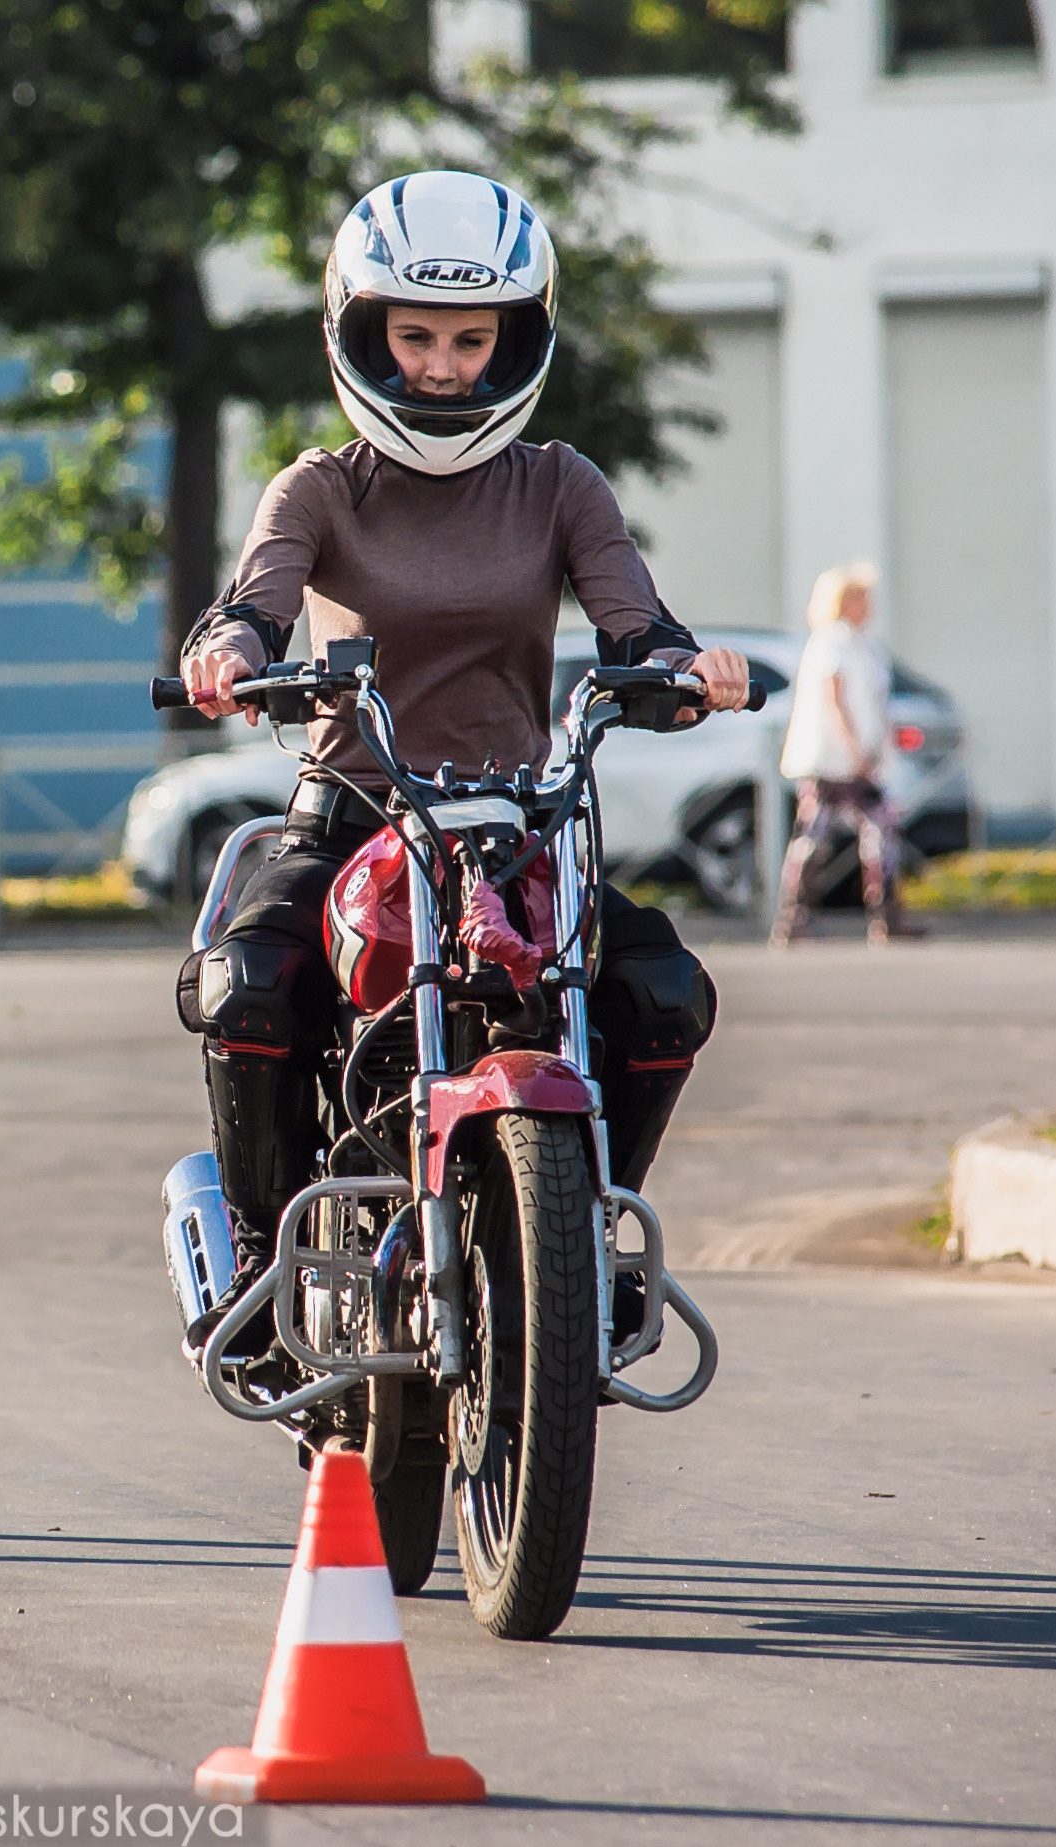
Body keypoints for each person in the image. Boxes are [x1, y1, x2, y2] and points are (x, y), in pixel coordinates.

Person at [176, 169, 752, 1354]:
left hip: (512, 829)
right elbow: (252, 606)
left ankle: (581, 1234)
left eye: (472, 339)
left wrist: (686, 670)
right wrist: (230, 653)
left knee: (663, 992)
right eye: (417, 335)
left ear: (516, 340)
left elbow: (636, 621)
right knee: (246, 984)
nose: (442, 367)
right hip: (348, 816)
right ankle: (255, 1249)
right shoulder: (322, 488)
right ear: (363, 332)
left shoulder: (558, 484)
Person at [772, 562, 926, 946]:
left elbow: (875, 700)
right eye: (862, 598)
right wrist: (855, 748)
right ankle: (795, 918)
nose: (869, 605)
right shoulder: (832, 642)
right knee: (816, 837)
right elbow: (834, 699)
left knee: (877, 832)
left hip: (860, 761)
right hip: (833, 761)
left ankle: (884, 915)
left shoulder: (862, 643)